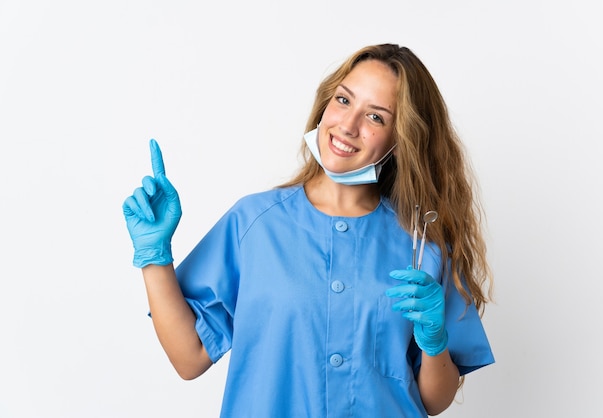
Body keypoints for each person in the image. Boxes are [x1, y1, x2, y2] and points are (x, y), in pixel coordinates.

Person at [123, 43, 494, 417]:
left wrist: (434, 342)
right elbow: (190, 358)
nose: (348, 126)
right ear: (325, 105)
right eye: (344, 100)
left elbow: (433, 401)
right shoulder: (255, 223)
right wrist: (154, 255)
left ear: (401, 140)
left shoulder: (421, 245)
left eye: (376, 117)